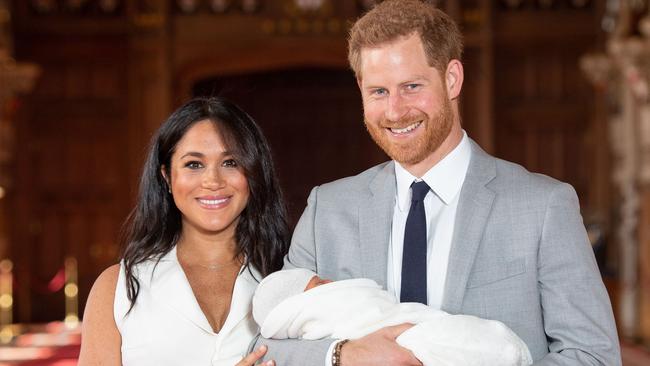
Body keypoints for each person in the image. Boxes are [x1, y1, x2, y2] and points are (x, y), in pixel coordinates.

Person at [257, 0, 621, 365]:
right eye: (379, 91)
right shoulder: (327, 211)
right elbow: (266, 347)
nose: (395, 111)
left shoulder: (544, 207)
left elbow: (593, 355)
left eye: (411, 86)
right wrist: (344, 355)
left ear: (452, 79)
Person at [79, 97, 288, 366]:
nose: (213, 181)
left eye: (231, 162)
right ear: (166, 176)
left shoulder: (287, 277)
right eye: (194, 164)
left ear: (253, 173)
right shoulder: (116, 289)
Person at [252, 268, 532, 366]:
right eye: (318, 283)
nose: (328, 281)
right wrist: (342, 356)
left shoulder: (547, 201)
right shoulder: (322, 207)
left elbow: (575, 345)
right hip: (411, 336)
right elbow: (264, 350)